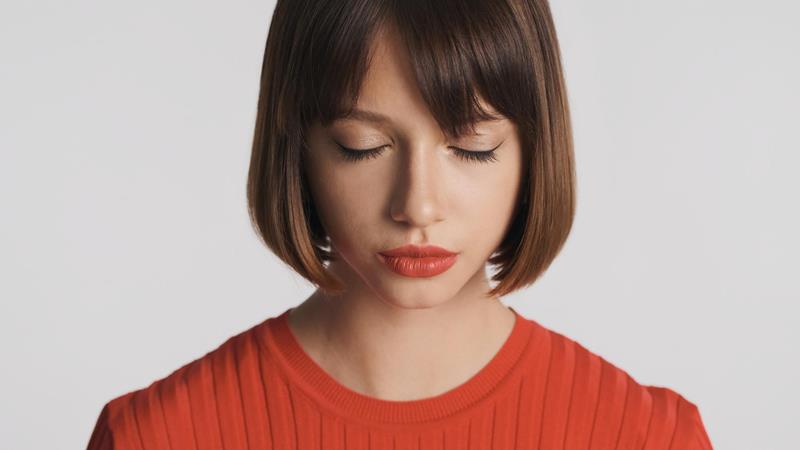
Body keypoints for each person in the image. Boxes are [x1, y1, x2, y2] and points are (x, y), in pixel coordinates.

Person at [87, 0, 713, 448]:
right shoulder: (156, 435)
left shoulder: (648, 436)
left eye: (471, 147)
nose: (417, 206)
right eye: (363, 146)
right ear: (295, 147)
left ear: (535, 151)